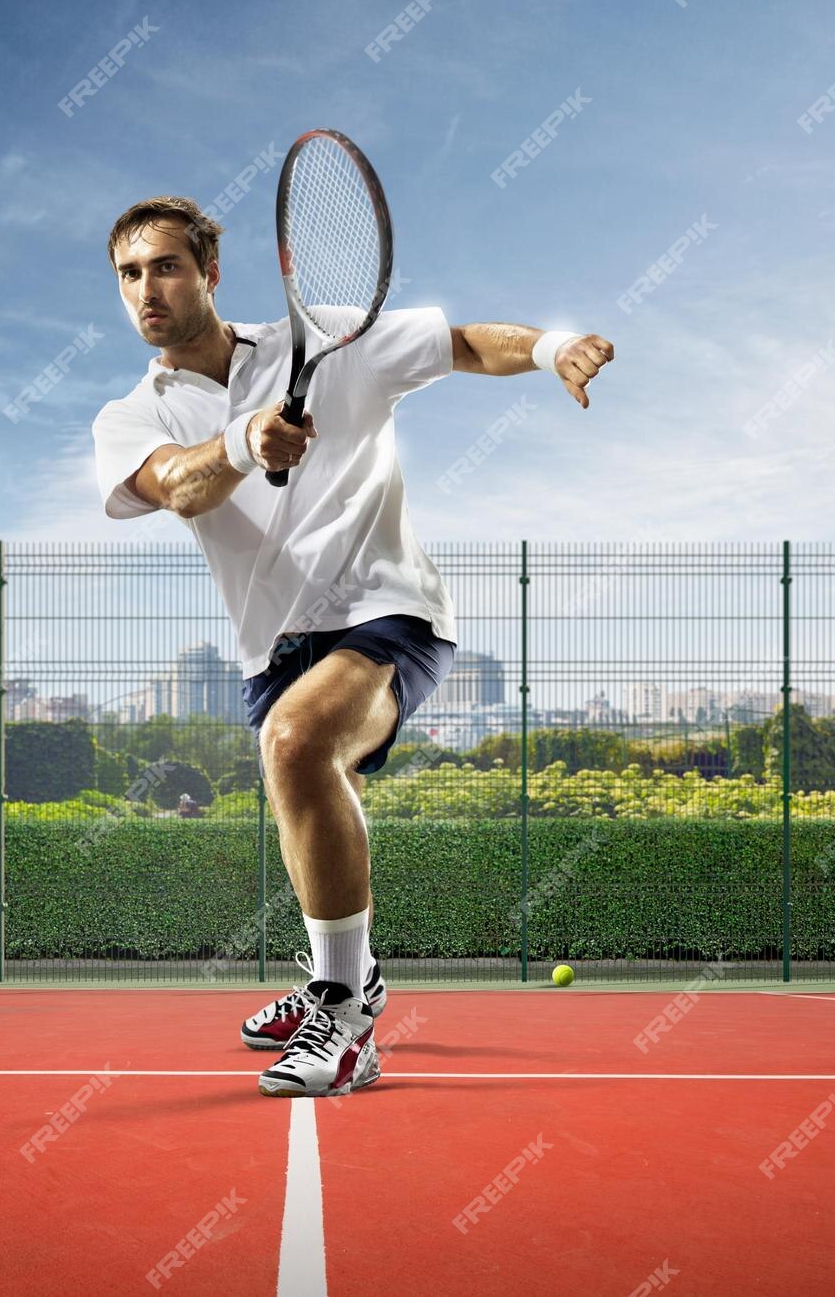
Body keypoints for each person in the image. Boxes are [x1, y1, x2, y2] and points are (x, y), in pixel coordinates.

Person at [91, 197, 613, 1096]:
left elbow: (459, 344)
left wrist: (549, 346)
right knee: (311, 800)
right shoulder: (130, 415)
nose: (149, 288)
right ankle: (346, 970)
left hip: (388, 612)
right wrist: (248, 441)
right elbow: (178, 487)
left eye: (167, 266)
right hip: (273, 645)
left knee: (295, 742)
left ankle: (345, 1018)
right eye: (130, 275)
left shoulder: (324, 339)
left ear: (210, 272)